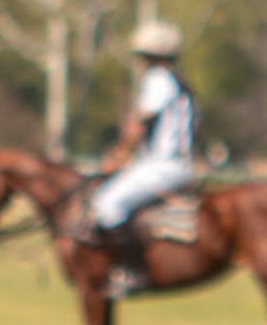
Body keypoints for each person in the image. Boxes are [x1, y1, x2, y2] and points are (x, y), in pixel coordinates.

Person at [82, 19, 200, 298]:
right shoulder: (179, 82)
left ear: (150, 56)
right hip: (171, 163)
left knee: (106, 204)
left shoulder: (158, 80)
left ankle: (133, 271)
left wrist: (118, 153)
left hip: (164, 165)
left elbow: (139, 124)